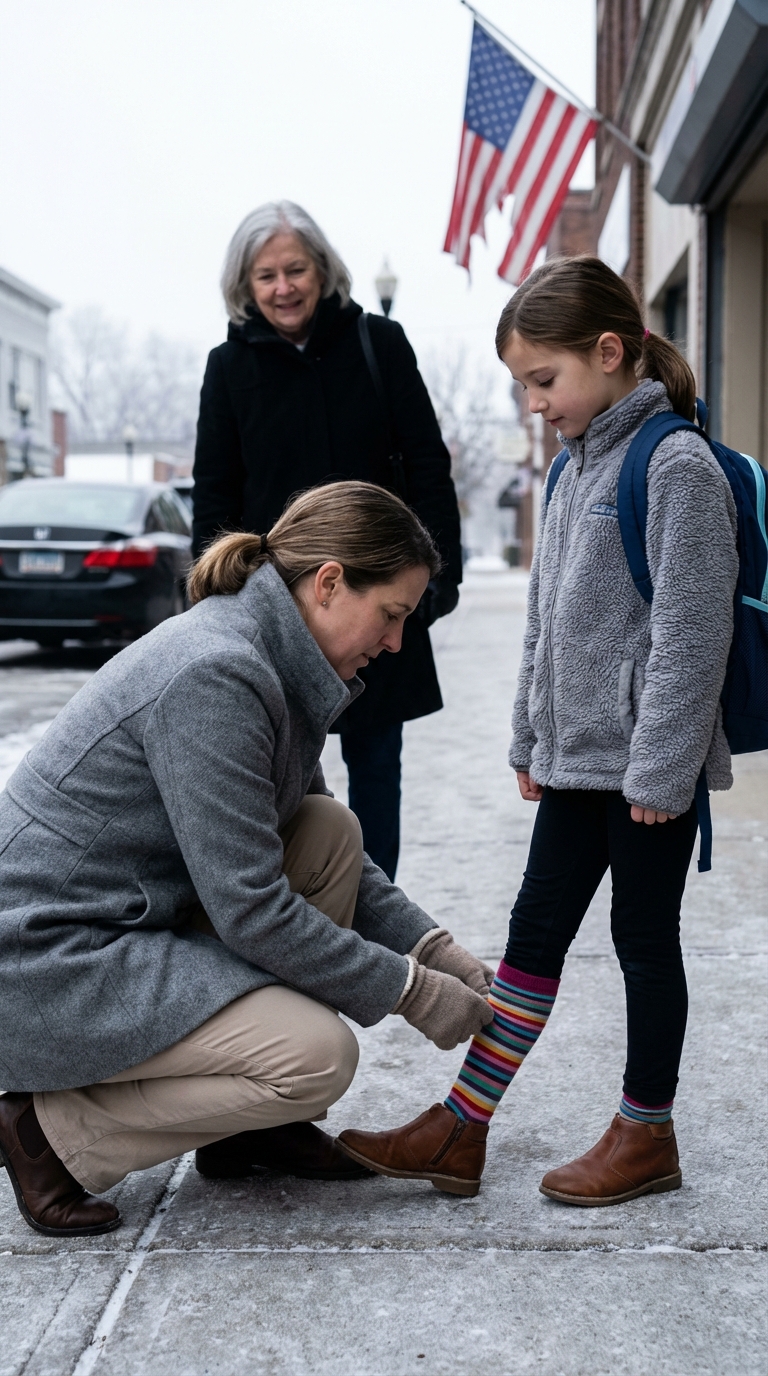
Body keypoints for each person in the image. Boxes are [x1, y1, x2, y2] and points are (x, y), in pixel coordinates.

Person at [337, 257, 739, 1202]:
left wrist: (661, 771)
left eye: (543, 379)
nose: (533, 401)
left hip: (646, 774)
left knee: (644, 943)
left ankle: (648, 1133)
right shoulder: (569, 469)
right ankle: (461, 1126)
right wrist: (530, 737)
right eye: (522, 384)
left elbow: (691, 632)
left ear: (610, 354)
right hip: (574, 764)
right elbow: (547, 622)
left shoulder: (676, 464)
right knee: (532, 941)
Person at [0, 481, 493, 1238]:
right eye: (391, 614)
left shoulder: (275, 659)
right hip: (47, 962)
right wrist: (410, 991)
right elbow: (251, 909)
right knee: (316, 1058)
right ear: (329, 583)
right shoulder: (217, 674)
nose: (395, 642)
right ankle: (52, 1131)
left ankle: (247, 1131)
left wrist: (435, 949)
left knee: (327, 830)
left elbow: (329, 862)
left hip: (120, 922)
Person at [192, 201, 463, 880]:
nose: (283, 287)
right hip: (275, 605)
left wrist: (434, 582)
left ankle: (375, 933)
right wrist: (211, 600)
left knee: (375, 768)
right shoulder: (228, 367)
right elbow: (215, 490)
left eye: (295, 269)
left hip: (377, 594)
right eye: (266, 275)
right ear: (245, 286)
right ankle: (291, 922)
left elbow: (428, 464)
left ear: (323, 270)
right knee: (277, 769)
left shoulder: (379, 343)